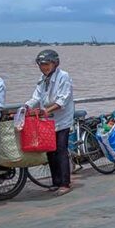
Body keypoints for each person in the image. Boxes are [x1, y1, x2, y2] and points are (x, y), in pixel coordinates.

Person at [25, 49, 75, 194]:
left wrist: (47, 110)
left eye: (47, 64)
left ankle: (65, 183)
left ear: (55, 63)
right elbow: (36, 98)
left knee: (61, 150)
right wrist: (25, 107)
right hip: (47, 121)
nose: (44, 67)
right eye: (41, 65)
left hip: (62, 119)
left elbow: (62, 100)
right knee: (50, 152)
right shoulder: (42, 79)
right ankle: (55, 182)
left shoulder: (63, 77)